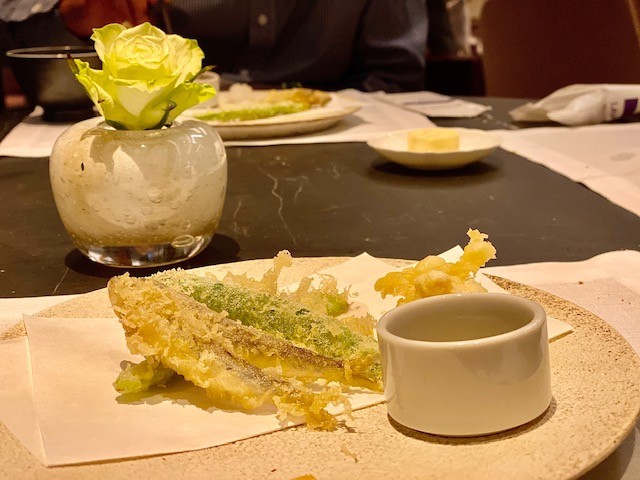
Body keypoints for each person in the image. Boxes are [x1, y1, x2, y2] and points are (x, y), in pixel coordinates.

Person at [0, 0, 428, 93]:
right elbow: (14, 31)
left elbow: (393, 79)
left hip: (338, 157)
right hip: (159, 141)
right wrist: (70, 18)